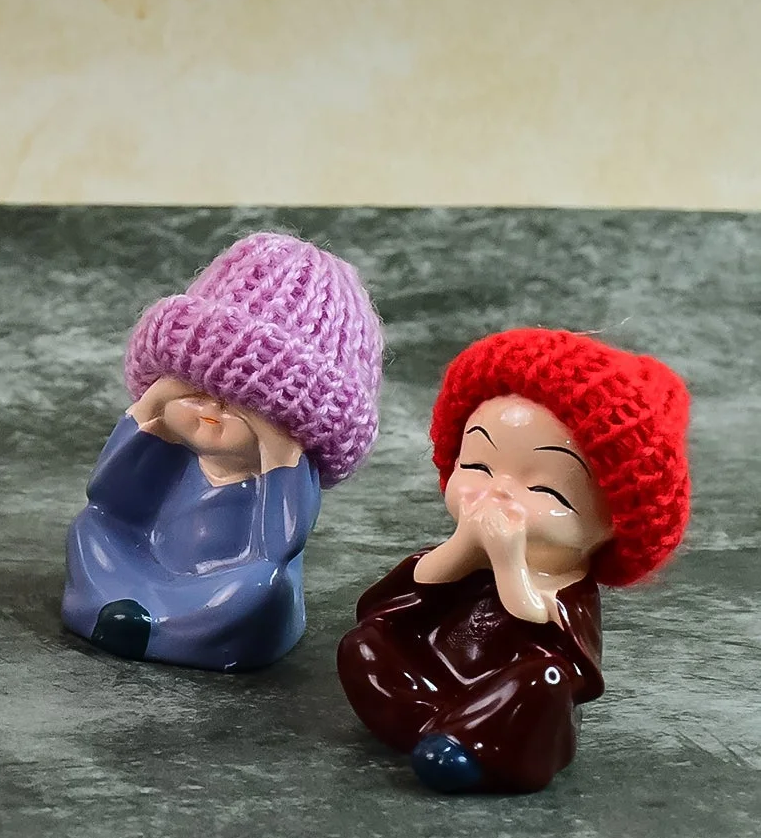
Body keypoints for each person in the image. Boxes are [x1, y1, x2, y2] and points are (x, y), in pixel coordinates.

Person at [337, 328, 691, 794]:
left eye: (544, 489)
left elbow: (559, 648)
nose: (498, 492)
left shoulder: (567, 584)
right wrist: (462, 548)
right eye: (476, 467)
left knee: (545, 681)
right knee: (364, 643)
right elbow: (387, 603)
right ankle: (426, 722)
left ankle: (471, 746)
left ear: (611, 524)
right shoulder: (468, 553)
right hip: (438, 674)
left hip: (509, 701)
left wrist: (508, 561)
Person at [63, 231, 383, 671]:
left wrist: (277, 453)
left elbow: (278, 546)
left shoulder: (278, 473)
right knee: (91, 529)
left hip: (222, 582)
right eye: (195, 392)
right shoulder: (172, 452)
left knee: (260, 586)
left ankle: (164, 629)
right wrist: (151, 410)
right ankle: (113, 608)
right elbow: (108, 496)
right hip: (146, 555)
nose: (212, 412)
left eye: (244, 407)